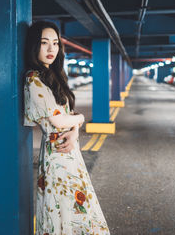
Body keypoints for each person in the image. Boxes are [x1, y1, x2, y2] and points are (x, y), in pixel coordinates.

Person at [23, 20, 110, 235]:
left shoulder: (54, 76)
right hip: (56, 157)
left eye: (55, 43)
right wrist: (79, 120)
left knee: (77, 209)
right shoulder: (33, 78)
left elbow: (68, 116)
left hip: (70, 152)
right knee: (59, 210)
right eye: (44, 43)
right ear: (35, 46)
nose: (51, 49)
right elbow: (59, 121)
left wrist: (75, 130)